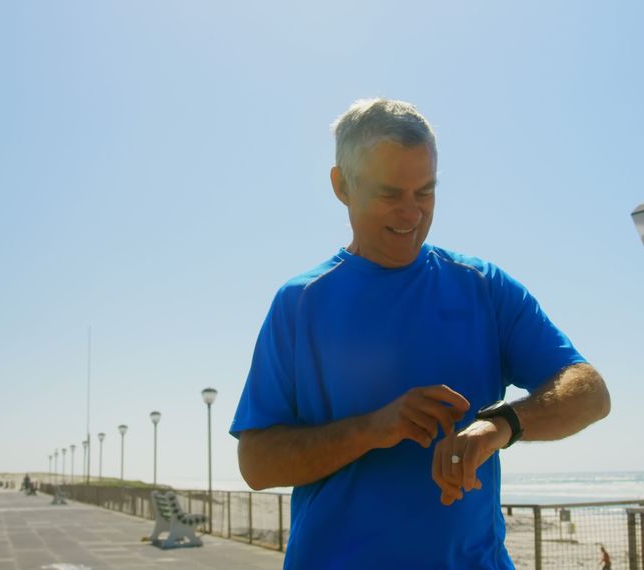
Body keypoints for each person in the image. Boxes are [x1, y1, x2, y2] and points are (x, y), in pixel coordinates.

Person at [231, 98, 611, 569]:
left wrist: (499, 426)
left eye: (425, 192)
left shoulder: (483, 287)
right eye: (390, 194)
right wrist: (374, 428)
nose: (411, 214)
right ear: (342, 185)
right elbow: (257, 463)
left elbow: (590, 393)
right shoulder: (300, 302)